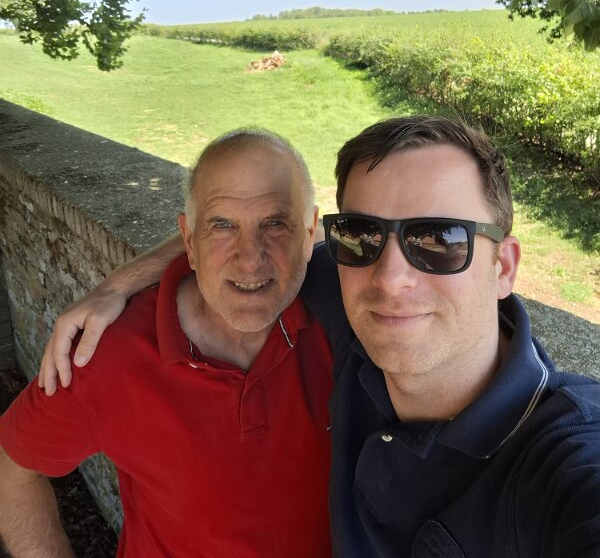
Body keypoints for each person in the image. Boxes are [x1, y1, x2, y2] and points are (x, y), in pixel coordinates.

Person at [23, 117, 600, 556]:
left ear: (504, 267)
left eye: (440, 238)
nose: (393, 278)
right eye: (362, 234)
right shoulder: (339, 292)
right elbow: (238, 233)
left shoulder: (564, 458)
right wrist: (116, 286)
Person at [0, 130, 334, 558]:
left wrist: (122, 279)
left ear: (308, 234)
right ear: (189, 242)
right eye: (222, 226)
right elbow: (14, 467)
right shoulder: (111, 355)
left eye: (274, 224)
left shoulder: (345, 317)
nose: (251, 258)